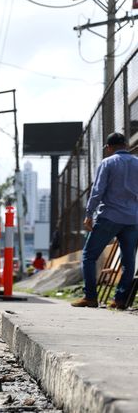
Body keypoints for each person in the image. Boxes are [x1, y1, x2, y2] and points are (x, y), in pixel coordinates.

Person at [71, 132, 138, 310]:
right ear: (125, 144)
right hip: (132, 219)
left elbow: (97, 190)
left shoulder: (107, 162)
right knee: (128, 260)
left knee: (88, 256)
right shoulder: (137, 163)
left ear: (109, 147)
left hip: (109, 216)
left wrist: (88, 214)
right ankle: (120, 300)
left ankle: (91, 297)